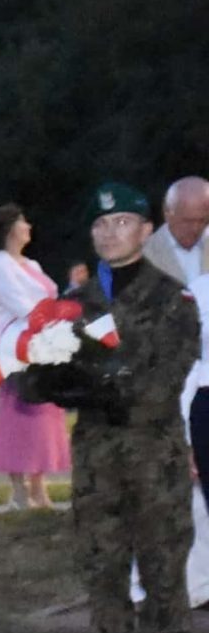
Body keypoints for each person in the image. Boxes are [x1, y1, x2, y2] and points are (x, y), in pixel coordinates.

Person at [65, 182, 199, 633]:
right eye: (100, 225)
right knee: (103, 567)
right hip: (97, 458)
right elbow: (46, 362)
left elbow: (166, 380)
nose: (109, 232)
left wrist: (101, 391)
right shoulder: (73, 303)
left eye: (121, 222)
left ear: (146, 231)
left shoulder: (173, 299)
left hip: (153, 456)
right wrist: (47, 381)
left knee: (163, 567)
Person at [0, 203, 68, 511]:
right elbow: (22, 304)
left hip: (43, 345)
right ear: (9, 229)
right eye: (22, 221)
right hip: (16, 348)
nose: (28, 226)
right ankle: (18, 491)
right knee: (17, 419)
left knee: (43, 418)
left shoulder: (32, 264)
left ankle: (39, 488)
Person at [140, 175, 209, 492]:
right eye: (187, 221)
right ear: (168, 214)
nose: (194, 228)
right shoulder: (145, 256)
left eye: (202, 220)